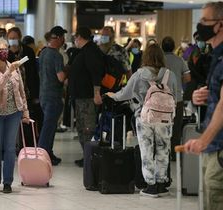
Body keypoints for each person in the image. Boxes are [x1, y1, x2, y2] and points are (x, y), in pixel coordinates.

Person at [106, 44, 177, 198]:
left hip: (144, 117)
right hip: (165, 119)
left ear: (146, 57)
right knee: (163, 150)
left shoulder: (139, 74)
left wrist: (113, 95)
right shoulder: (170, 75)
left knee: (147, 150)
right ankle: (161, 184)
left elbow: (125, 94)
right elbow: (176, 96)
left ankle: (150, 186)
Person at [184, 2, 223, 210]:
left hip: (219, 147)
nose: (200, 26)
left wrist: (202, 140)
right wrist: (204, 96)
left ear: (220, 25)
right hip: (213, 146)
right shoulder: (214, 55)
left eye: (205, 21)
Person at [0, 37, 30, 193]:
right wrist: (7, 73)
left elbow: (22, 92)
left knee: (10, 148)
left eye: (6, 48)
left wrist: (25, 112)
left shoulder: (15, 67)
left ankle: (8, 182)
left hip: (14, 113)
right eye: (0, 49)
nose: (4, 52)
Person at [69, 26, 104, 167]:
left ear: (79, 37)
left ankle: (91, 158)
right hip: (81, 97)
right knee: (82, 128)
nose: (74, 41)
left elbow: (96, 74)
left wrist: (96, 93)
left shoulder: (91, 51)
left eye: (75, 38)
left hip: (87, 98)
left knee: (88, 128)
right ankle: (87, 156)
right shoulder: (85, 51)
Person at [6, 27, 42, 149]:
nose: (12, 41)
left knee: (27, 122)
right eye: (10, 38)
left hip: (26, 93)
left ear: (19, 38)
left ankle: (28, 148)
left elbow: (33, 74)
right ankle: (11, 147)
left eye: (14, 38)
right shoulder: (4, 53)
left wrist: (35, 94)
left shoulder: (28, 52)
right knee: (10, 123)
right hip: (9, 94)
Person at [38, 26, 69, 166]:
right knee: (48, 128)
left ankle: (48, 153)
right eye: (63, 37)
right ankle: (41, 156)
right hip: (53, 96)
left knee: (48, 126)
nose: (64, 40)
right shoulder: (57, 55)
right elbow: (61, 77)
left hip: (43, 95)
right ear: (57, 38)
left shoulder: (43, 52)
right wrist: (68, 70)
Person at [161, 36, 191, 160]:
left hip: (161, 100)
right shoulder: (180, 60)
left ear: (162, 47)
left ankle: (163, 154)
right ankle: (174, 154)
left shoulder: (159, 60)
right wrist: (179, 80)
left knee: (162, 127)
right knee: (176, 128)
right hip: (177, 99)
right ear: (174, 47)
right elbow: (188, 78)